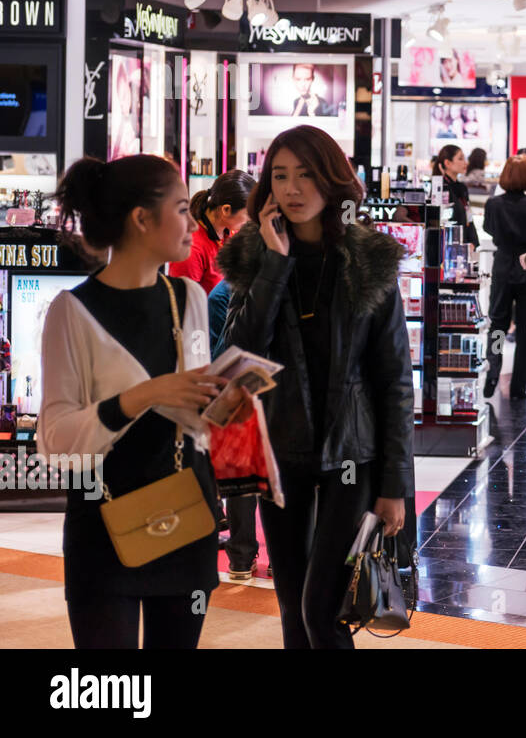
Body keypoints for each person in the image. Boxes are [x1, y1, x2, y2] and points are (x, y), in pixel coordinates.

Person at [219, 125, 414, 649]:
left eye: (306, 175)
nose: (292, 188)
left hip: (354, 453)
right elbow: (238, 353)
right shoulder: (252, 257)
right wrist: (274, 265)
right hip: (279, 453)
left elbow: (395, 378)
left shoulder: (368, 259)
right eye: (280, 176)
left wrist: (396, 486)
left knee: (320, 608)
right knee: (290, 604)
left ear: (332, 180)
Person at [40, 155, 229, 648]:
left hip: (186, 516)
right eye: (183, 209)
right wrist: (143, 395)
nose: (192, 222)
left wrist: (226, 402)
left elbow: (195, 420)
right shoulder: (71, 311)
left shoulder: (189, 297)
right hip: (102, 524)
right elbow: (56, 440)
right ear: (142, 219)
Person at [168, 169, 260, 580]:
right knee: (218, 456)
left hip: (219, 357)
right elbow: (183, 315)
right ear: (225, 211)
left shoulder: (225, 241)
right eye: (246, 216)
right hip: (202, 361)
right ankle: (228, 548)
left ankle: (234, 547)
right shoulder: (194, 252)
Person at [483, 155, 526, 400]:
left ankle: (493, 373)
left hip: (502, 266)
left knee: (497, 325)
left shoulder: (493, 204)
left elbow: (488, 229)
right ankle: (520, 384)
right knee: (525, 331)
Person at [169, 170, 254, 294]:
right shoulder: (192, 249)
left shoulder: (230, 233)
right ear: (226, 210)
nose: (251, 220)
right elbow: (184, 303)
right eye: (248, 214)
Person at [433, 143, 479, 246]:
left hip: (464, 243)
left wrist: (472, 242)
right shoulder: (440, 188)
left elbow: (468, 217)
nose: (465, 163)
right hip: (447, 243)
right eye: (460, 159)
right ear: (448, 163)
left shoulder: (461, 188)